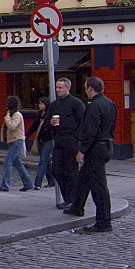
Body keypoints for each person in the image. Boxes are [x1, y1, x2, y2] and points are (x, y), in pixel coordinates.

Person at [64, 77, 117, 233]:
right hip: (106, 145)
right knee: (84, 178)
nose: (86, 90)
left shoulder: (94, 106)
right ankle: (77, 206)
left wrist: (82, 151)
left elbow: (90, 132)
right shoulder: (110, 103)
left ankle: (104, 222)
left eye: (86, 88)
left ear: (90, 89)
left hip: (95, 148)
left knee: (99, 186)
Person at [46, 78, 86, 209]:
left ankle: (72, 199)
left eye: (60, 88)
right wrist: (50, 123)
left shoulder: (76, 103)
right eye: (57, 87)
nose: (58, 90)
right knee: (56, 170)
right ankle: (67, 197)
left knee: (71, 171)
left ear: (67, 88)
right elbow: (46, 121)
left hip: (72, 141)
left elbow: (82, 123)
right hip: (58, 140)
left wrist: (78, 140)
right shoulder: (54, 105)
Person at [0, 96, 34, 192]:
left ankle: (5, 185)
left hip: (17, 141)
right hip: (12, 140)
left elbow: (12, 126)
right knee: (18, 164)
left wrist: (7, 117)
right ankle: (28, 183)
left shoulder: (17, 115)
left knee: (7, 162)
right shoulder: (13, 114)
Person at [28, 96, 56, 190]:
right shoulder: (39, 114)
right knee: (47, 161)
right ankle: (51, 180)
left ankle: (38, 183)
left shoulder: (49, 115)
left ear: (46, 104)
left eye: (41, 104)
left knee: (43, 161)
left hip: (49, 140)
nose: (39, 105)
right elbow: (33, 127)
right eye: (39, 103)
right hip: (40, 140)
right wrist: (26, 136)